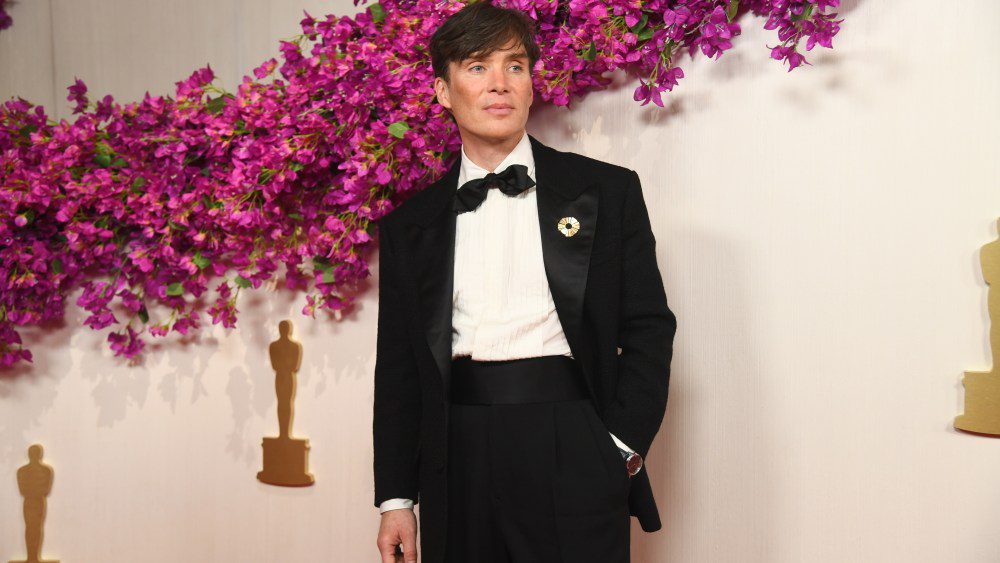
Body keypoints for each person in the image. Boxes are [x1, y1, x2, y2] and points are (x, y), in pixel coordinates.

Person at [373, 2, 677, 562]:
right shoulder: (407, 228)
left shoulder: (608, 192)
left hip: (572, 445)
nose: (499, 84)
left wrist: (619, 448)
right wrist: (396, 498)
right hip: (455, 454)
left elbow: (649, 327)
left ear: (533, 85)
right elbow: (399, 371)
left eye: (515, 66)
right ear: (443, 91)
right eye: (476, 66)